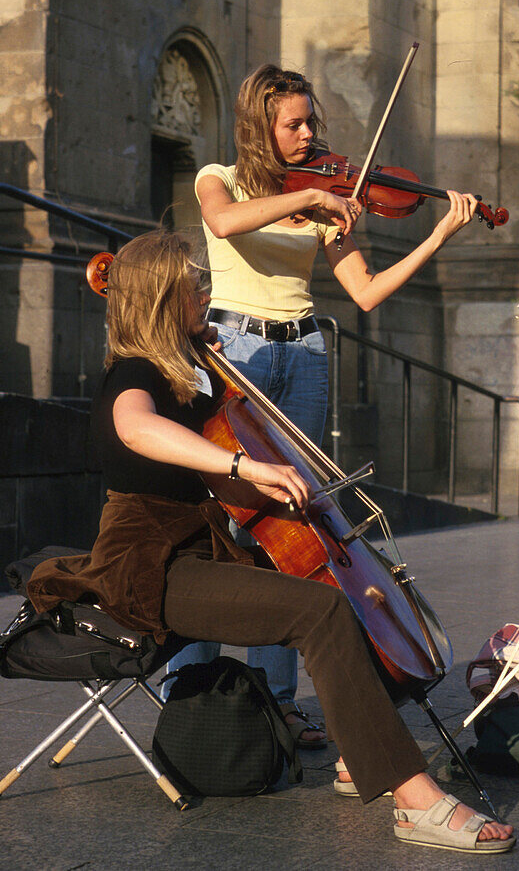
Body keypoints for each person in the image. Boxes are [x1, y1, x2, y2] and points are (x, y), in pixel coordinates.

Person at [25, 231, 515, 855]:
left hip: (199, 548)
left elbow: (206, 421)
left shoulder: (188, 367)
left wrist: (207, 362)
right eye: (195, 284)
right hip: (150, 564)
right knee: (321, 610)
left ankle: (362, 750)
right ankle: (413, 797)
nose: (208, 291)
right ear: (161, 297)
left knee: (341, 588)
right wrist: (244, 466)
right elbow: (135, 426)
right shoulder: (134, 371)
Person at [166, 64, 480, 751]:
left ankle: (278, 702)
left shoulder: (324, 202)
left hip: (303, 355)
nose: (309, 133)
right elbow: (222, 220)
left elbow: (365, 293)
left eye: (310, 122)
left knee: (290, 525)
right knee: (221, 518)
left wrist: (436, 238)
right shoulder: (218, 176)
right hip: (235, 354)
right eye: (294, 124)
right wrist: (305, 194)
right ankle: (186, 687)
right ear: (260, 125)